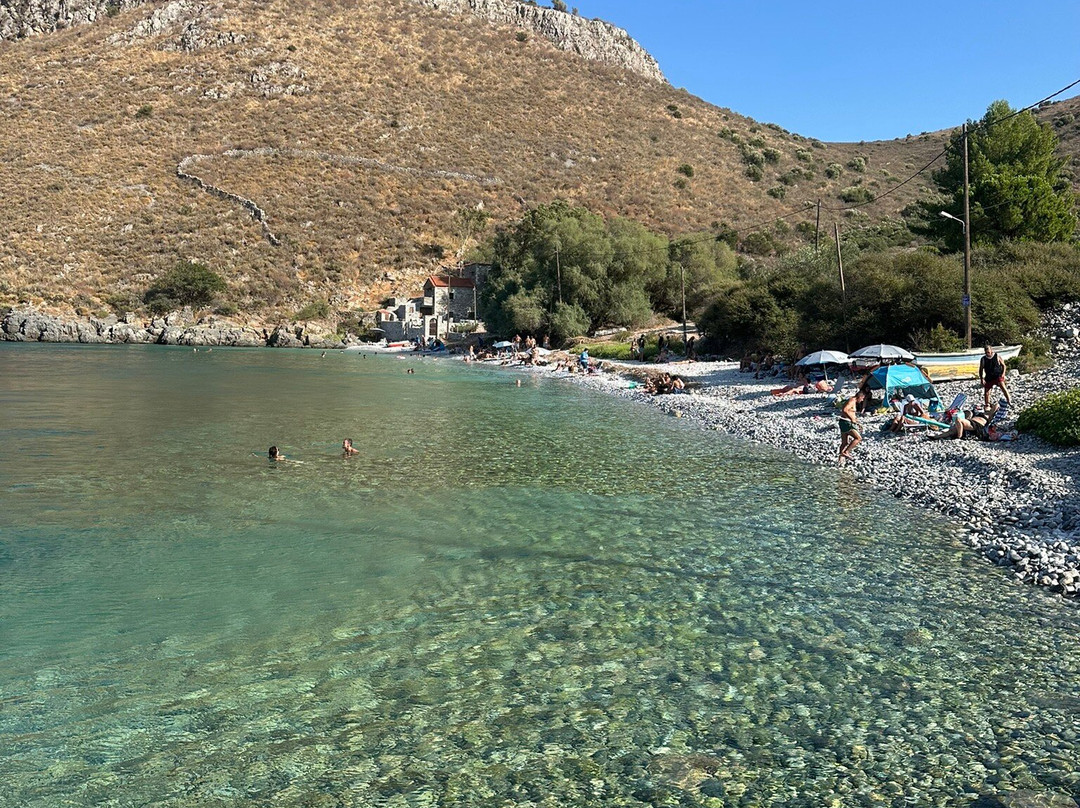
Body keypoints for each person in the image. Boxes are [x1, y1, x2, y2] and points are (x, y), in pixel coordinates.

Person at [838, 390, 865, 462]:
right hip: (846, 422)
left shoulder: (853, 401)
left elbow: (851, 414)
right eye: (862, 399)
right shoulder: (852, 400)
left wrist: (858, 424)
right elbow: (845, 410)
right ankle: (846, 452)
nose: (862, 400)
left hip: (843, 422)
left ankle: (840, 460)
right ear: (860, 397)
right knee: (858, 438)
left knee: (845, 442)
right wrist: (851, 418)